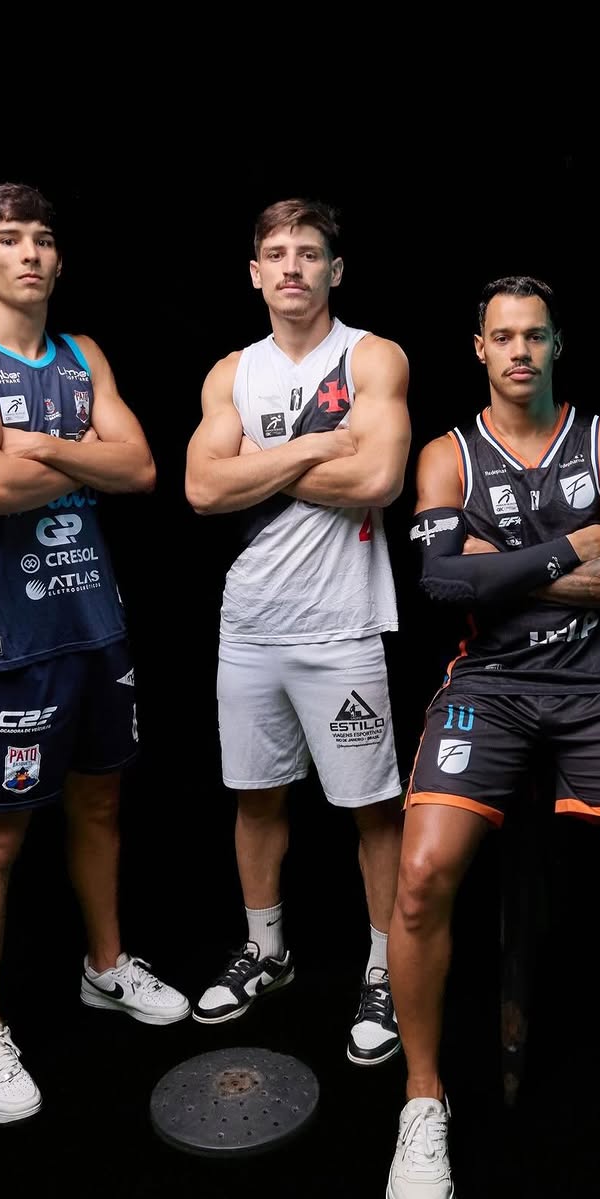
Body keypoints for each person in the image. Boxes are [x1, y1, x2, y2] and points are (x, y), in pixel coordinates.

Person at [384, 276, 600, 1199]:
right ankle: (421, 1099)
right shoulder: (447, 453)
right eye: (503, 336)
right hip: (488, 685)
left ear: (558, 343)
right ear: (479, 349)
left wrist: (503, 566)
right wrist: (578, 545)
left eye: (535, 335)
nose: (520, 350)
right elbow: (441, 580)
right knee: (418, 873)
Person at [0, 182, 190, 1125]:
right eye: (7, 238)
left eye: (41, 239)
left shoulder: (84, 354)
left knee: (101, 802)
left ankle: (105, 966)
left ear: (59, 259)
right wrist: (74, 451)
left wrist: (26, 443)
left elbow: (141, 467)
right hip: (9, 636)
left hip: (96, 622)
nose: (28, 253)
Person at [184, 197, 410, 1065]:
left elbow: (380, 476)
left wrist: (253, 464)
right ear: (254, 273)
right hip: (249, 624)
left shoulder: (371, 356)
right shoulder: (231, 372)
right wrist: (318, 448)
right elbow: (202, 490)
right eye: (276, 253)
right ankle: (266, 950)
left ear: (334, 270)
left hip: (341, 625)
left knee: (372, 808)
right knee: (256, 794)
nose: (291, 267)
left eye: (308, 253)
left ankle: (385, 967)